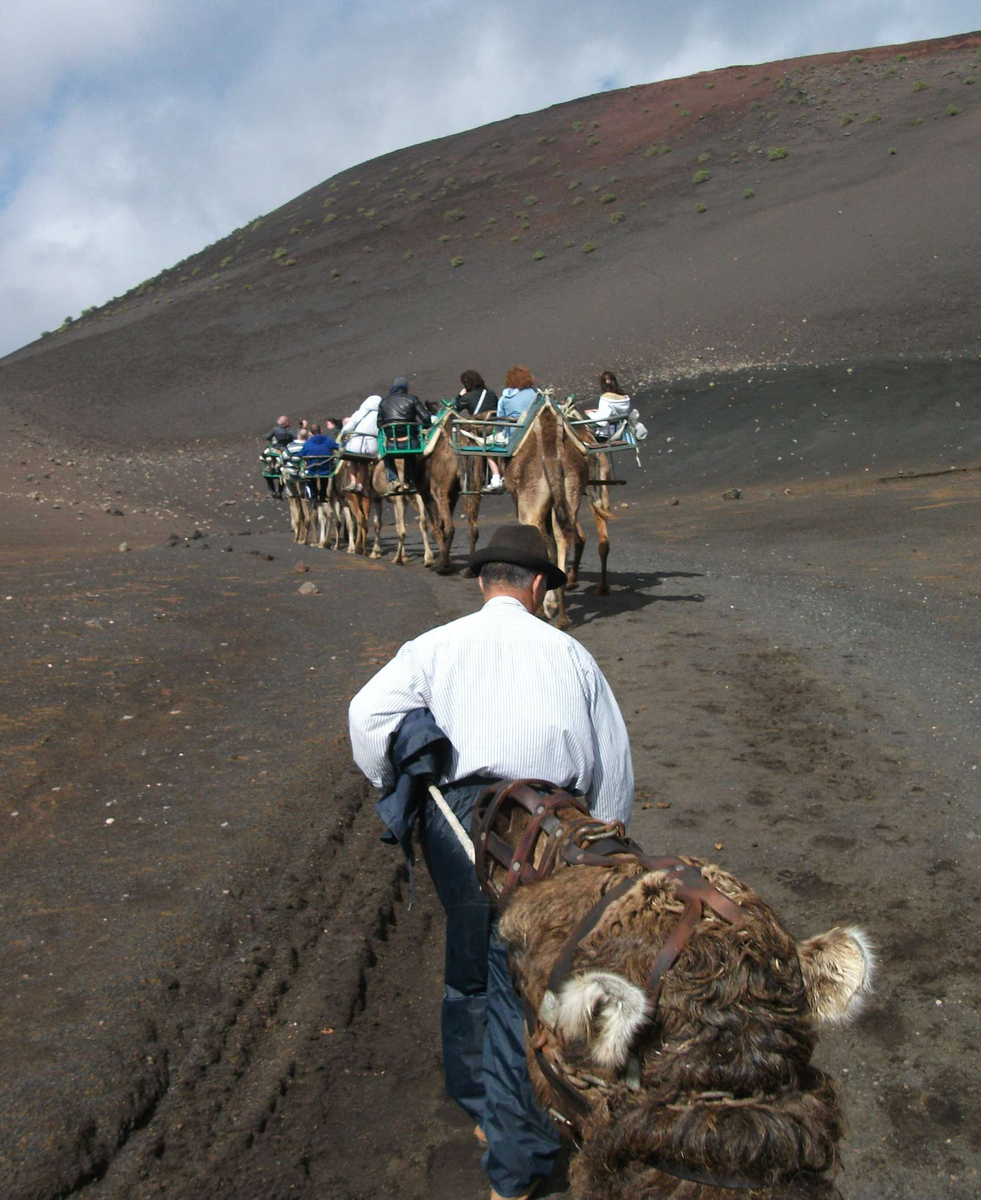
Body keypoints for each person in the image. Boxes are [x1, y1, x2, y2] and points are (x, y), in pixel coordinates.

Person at [348, 524, 635, 1200]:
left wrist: (395, 783)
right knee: (529, 985)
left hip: (459, 823)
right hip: (551, 825)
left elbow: (366, 716)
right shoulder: (571, 655)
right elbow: (614, 766)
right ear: (538, 586)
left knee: (473, 967)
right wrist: (604, 845)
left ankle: (485, 1111)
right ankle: (521, 1140)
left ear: (483, 582)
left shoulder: (434, 647)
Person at [377, 375, 434, 486]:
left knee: (386, 455)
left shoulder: (384, 402)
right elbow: (426, 418)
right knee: (410, 454)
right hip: (410, 441)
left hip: (392, 443)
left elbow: (379, 424)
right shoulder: (412, 399)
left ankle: (394, 479)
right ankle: (409, 479)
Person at [586, 369, 632, 440]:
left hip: (606, 436)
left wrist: (590, 414)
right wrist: (598, 411)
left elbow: (602, 421)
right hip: (621, 433)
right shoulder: (625, 398)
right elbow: (614, 412)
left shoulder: (605, 398)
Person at [300, 425, 339, 502]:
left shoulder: (308, 443)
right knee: (324, 478)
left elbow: (300, 454)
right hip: (326, 469)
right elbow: (337, 446)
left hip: (312, 469)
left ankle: (314, 494)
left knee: (310, 478)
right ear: (321, 431)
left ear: (311, 433)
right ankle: (322, 494)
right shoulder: (328, 440)